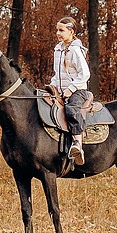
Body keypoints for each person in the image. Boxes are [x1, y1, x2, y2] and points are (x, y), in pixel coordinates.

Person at [51, 17, 92, 167]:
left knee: (71, 109)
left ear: (71, 32)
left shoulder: (75, 50)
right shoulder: (58, 49)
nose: (58, 33)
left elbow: (85, 74)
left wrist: (71, 89)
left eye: (61, 30)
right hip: (61, 91)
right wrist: (53, 86)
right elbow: (57, 74)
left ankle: (77, 144)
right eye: (57, 30)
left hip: (77, 90)